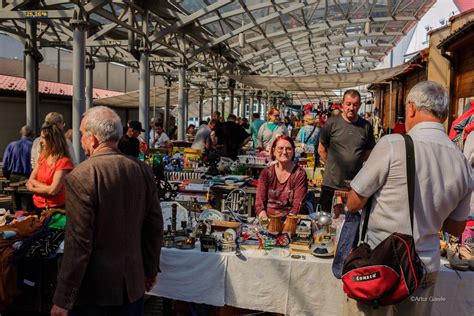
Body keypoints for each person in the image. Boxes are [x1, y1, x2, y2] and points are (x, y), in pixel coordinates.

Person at [345, 81, 473, 315]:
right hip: (425, 268)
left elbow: (354, 202)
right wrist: (432, 207)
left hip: (381, 265)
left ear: (411, 108)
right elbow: (456, 227)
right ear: (443, 114)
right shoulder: (461, 161)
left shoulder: (393, 144)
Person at [51, 106, 163, 316]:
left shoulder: (81, 176)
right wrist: (150, 269)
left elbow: (78, 243)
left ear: (92, 139)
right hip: (132, 285)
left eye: (83, 134)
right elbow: (154, 226)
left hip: (95, 293)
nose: (81, 140)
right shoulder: (141, 170)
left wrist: (63, 298)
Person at [317, 89, 375, 214]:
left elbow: (369, 152)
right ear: (342, 104)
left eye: (355, 104)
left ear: (359, 105)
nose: (351, 108)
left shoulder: (365, 126)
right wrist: (333, 165)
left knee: (351, 222)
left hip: (354, 185)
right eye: (348, 104)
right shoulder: (332, 123)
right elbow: (321, 149)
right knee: (326, 220)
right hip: (331, 184)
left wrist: (355, 161)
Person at [255, 135, 308, 220]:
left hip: (291, 221)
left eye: (288, 149)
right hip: (267, 220)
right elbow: (259, 202)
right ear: (273, 151)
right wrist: (264, 219)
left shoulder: (299, 174)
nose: (284, 152)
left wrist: (287, 225)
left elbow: (298, 205)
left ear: (293, 151)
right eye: (280, 148)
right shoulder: (266, 173)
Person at [26, 123, 74, 212]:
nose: (40, 141)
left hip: (56, 210)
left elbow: (52, 191)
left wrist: (33, 188)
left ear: (53, 140)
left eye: (44, 138)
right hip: (37, 206)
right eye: (41, 137)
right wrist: (46, 189)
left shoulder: (63, 161)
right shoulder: (42, 157)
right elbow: (31, 180)